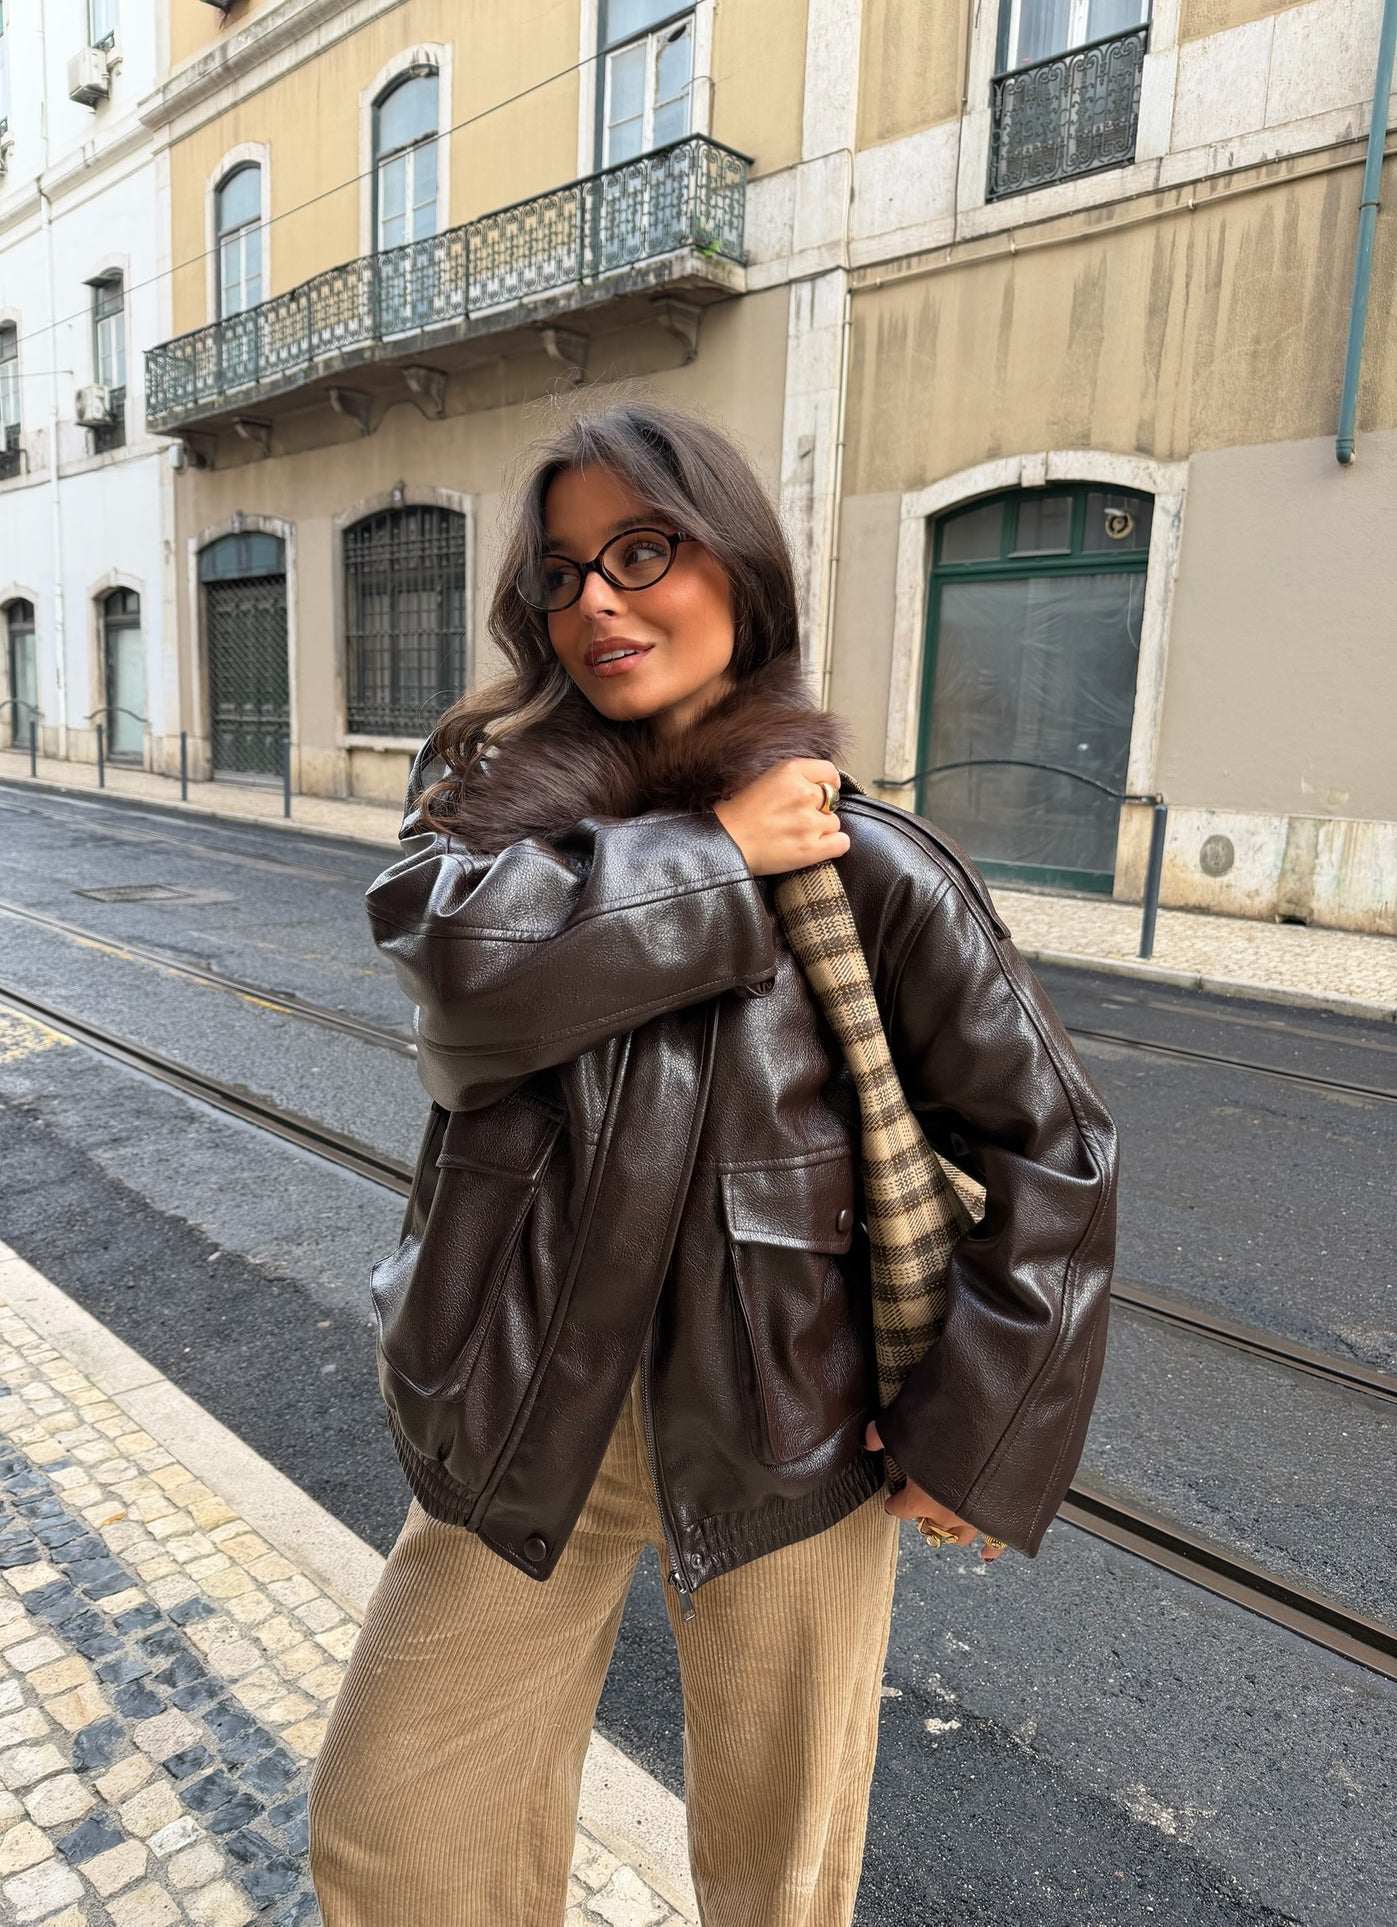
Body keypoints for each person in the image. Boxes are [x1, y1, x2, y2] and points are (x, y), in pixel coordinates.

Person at [308, 402, 1117, 1926]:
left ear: (735, 568)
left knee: (777, 1880)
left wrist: (973, 1432)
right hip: (523, 1397)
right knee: (394, 1837)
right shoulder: (490, 840)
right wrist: (720, 854)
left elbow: (1050, 1149)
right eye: (561, 574)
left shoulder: (869, 863)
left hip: (789, 1419)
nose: (597, 601)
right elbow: (474, 991)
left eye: (642, 551)